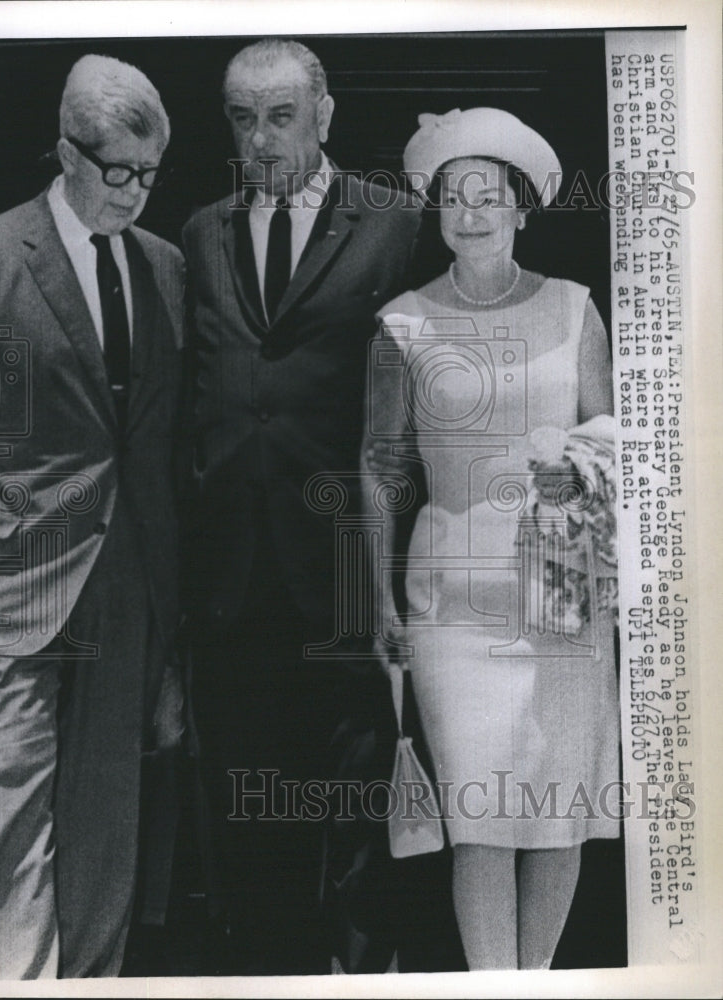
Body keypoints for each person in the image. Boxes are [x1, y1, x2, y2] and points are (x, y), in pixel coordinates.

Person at [182, 38, 420, 975]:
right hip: (234, 574)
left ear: (324, 115)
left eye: (280, 115)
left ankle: (363, 976)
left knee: (362, 799)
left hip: (349, 566)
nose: (260, 136)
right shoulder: (201, 231)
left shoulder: (397, 224)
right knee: (250, 796)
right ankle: (273, 974)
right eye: (242, 117)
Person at [363, 107, 620, 971]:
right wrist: (378, 599)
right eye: (451, 200)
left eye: (488, 198)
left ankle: (535, 984)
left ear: (521, 208)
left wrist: (575, 463)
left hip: (563, 594)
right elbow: (379, 467)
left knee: (554, 811)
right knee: (477, 816)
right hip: (452, 607)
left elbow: (617, 438)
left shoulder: (571, 309)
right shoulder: (402, 323)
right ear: (436, 213)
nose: (468, 215)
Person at [0, 54, 185, 979]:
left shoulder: (166, 268)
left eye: (150, 174)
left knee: (108, 820)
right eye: (117, 172)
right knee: (11, 822)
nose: (136, 194)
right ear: (66, 152)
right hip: (15, 584)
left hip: (125, 588)